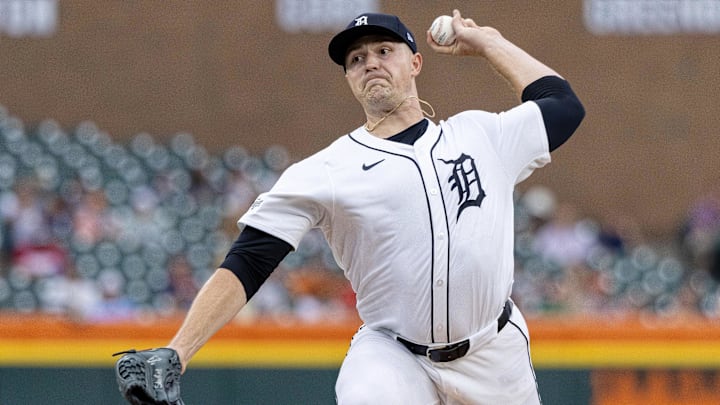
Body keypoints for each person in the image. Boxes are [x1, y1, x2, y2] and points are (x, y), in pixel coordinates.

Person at [167, 9, 584, 404]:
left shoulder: (481, 136)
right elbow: (248, 260)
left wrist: (490, 43)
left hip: (493, 352)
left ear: (416, 63)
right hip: (394, 355)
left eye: (385, 51)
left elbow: (564, 105)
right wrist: (177, 353)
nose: (370, 63)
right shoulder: (329, 169)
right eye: (356, 58)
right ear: (349, 78)